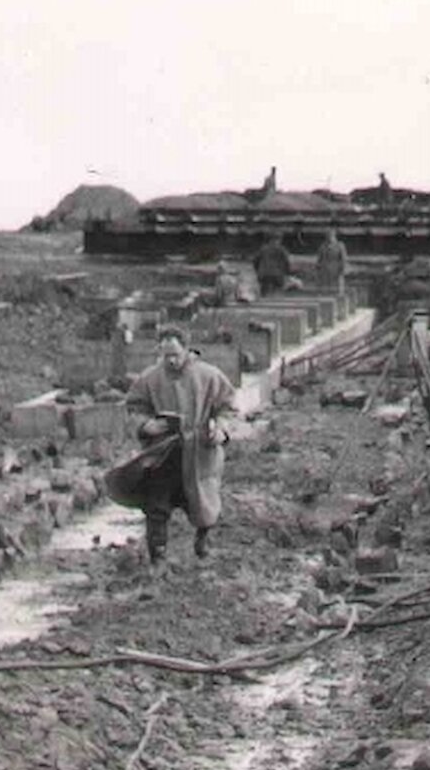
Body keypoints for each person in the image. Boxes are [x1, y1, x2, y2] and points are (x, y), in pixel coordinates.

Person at [107, 329, 237, 568]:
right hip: (163, 454)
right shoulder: (149, 378)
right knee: (156, 504)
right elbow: (134, 408)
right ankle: (158, 555)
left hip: (200, 452)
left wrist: (220, 429)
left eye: (175, 354)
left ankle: (203, 543)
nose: (171, 361)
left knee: (203, 502)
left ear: (187, 350)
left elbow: (228, 407)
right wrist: (148, 425)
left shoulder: (209, 376)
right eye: (165, 355)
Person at [253, 233, 292, 298]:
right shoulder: (282, 250)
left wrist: (258, 271)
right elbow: (287, 263)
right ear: (279, 240)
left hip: (264, 275)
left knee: (264, 294)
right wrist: (287, 273)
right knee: (278, 293)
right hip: (277, 275)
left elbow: (255, 261)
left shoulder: (263, 249)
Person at [314, 229, 349, 296]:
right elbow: (319, 259)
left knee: (337, 289)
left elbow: (344, 259)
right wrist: (318, 268)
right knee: (326, 290)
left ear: (334, 236)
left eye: (330, 235)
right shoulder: (323, 246)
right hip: (325, 270)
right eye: (327, 236)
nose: (329, 237)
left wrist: (343, 268)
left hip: (336, 269)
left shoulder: (340, 245)